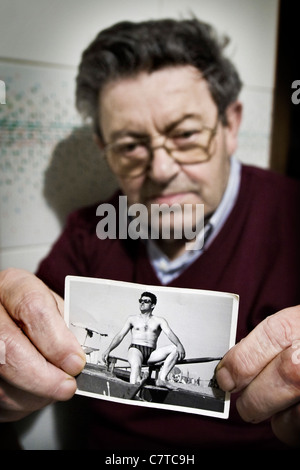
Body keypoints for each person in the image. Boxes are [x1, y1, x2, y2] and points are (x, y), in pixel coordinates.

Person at [1, 17, 300, 449]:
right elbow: (28, 340)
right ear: (105, 151)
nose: (161, 170)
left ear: (231, 125)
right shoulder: (87, 235)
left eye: (186, 135)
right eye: (129, 145)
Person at [102, 291, 185, 387]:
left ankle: (161, 379)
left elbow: (169, 333)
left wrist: (179, 345)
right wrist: (108, 350)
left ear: (153, 305)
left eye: (146, 301)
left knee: (175, 349)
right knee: (136, 366)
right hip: (136, 350)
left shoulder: (159, 320)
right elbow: (120, 335)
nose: (142, 303)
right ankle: (133, 391)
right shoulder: (132, 319)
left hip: (151, 354)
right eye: (140, 300)